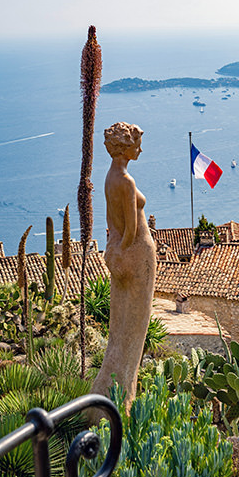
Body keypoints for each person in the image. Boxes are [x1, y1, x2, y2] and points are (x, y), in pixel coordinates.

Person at [90, 122, 156, 413]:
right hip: (137, 253)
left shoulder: (109, 177)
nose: (140, 149)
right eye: (137, 143)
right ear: (125, 147)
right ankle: (121, 405)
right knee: (135, 330)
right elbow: (130, 226)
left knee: (120, 329)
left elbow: (111, 221)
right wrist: (126, 246)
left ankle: (102, 396)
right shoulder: (126, 181)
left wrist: (113, 248)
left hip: (117, 251)